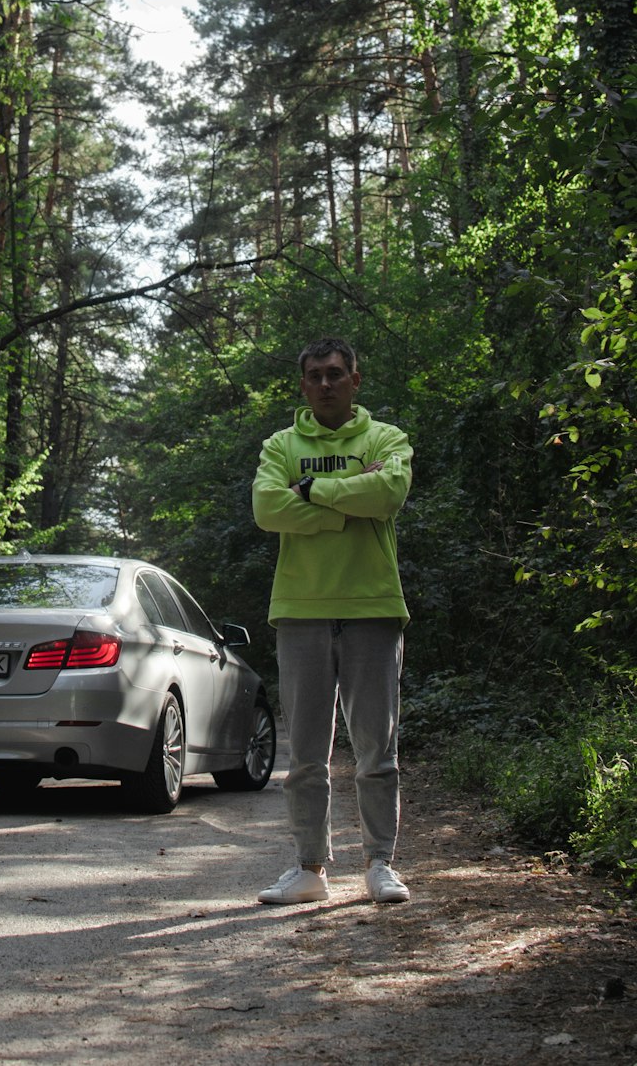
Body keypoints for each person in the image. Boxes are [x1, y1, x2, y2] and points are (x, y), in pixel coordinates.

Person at [251, 335, 413, 905]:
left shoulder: (385, 438)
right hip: (300, 610)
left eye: (336, 374)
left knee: (377, 748)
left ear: (355, 380)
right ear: (303, 385)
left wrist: (315, 491)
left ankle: (380, 864)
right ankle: (310, 870)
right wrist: (344, 510)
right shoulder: (280, 444)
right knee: (306, 757)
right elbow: (267, 509)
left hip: (373, 607)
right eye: (315, 374)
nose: (325, 383)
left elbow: (389, 491)